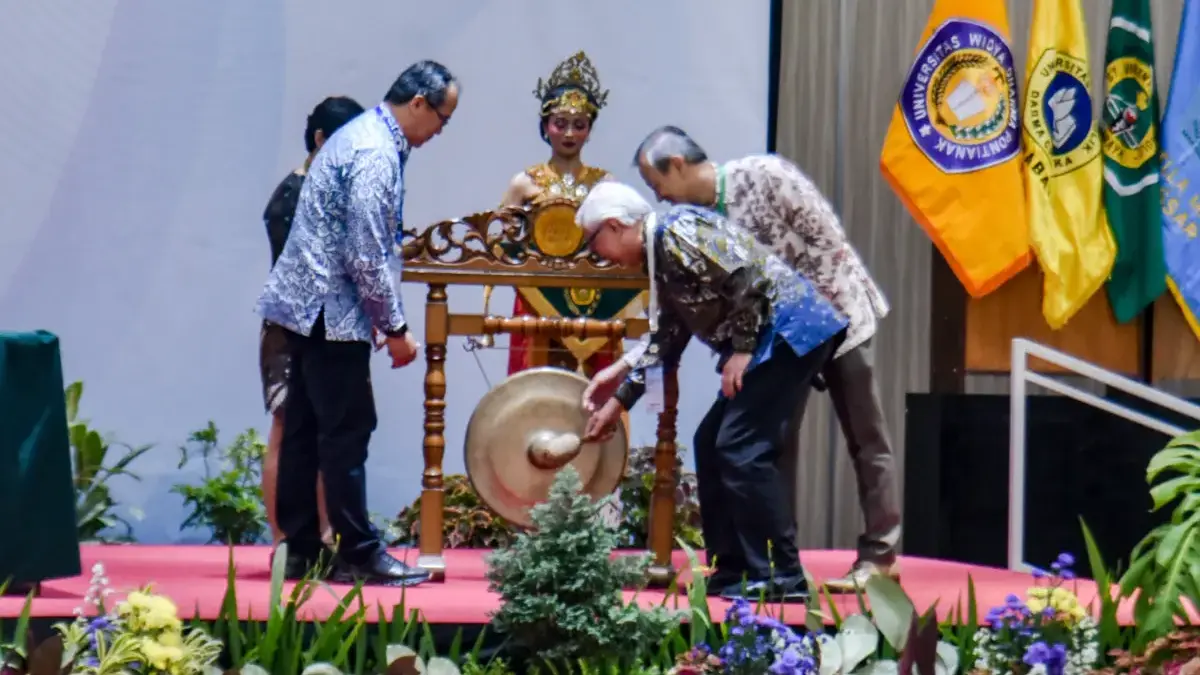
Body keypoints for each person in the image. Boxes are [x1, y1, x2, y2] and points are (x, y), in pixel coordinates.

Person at [587, 126, 900, 593]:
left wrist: (748, 344)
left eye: (657, 185)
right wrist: (620, 396)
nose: (660, 197)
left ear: (676, 164)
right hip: (771, 332)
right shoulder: (678, 228)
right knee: (738, 442)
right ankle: (749, 566)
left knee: (856, 439)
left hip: (822, 318)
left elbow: (814, 252)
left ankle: (858, 560)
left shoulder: (759, 178)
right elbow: (669, 335)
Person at [256, 60, 459, 585]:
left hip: (305, 308)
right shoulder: (374, 152)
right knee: (347, 431)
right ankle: (359, 554)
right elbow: (366, 254)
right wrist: (395, 329)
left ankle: (301, 549)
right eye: (442, 118)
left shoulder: (361, 135)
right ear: (418, 103)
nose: (440, 132)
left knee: (303, 430)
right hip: (330, 312)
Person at [483, 51, 645, 376]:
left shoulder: (604, 183)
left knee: (592, 379)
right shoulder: (524, 183)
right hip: (538, 297)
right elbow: (498, 242)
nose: (569, 133)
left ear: (589, 129)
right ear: (545, 126)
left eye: (579, 125)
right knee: (535, 384)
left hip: (594, 298)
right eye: (561, 124)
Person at [260, 95, 365, 548]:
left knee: (327, 434)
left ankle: (324, 537)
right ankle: (286, 538)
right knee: (288, 429)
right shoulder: (294, 193)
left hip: (324, 324)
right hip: (293, 329)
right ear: (321, 139)